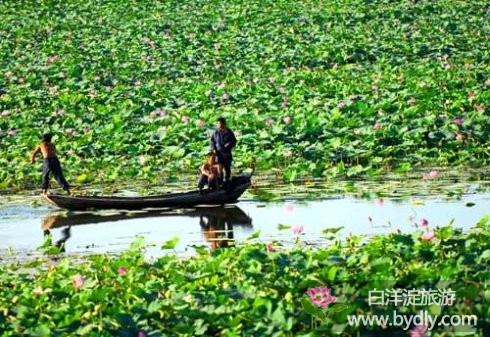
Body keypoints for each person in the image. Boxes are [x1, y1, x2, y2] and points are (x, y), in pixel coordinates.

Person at [210, 117, 237, 185]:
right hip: (219, 153)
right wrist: (213, 149)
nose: (218, 125)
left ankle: (227, 182)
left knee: (227, 168)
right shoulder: (215, 132)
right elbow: (212, 141)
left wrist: (229, 144)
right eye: (217, 124)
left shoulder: (229, 132)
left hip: (227, 153)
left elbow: (234, 141)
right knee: (220, 169)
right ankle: (220, 183)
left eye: (219, 123)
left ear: (223, 124)